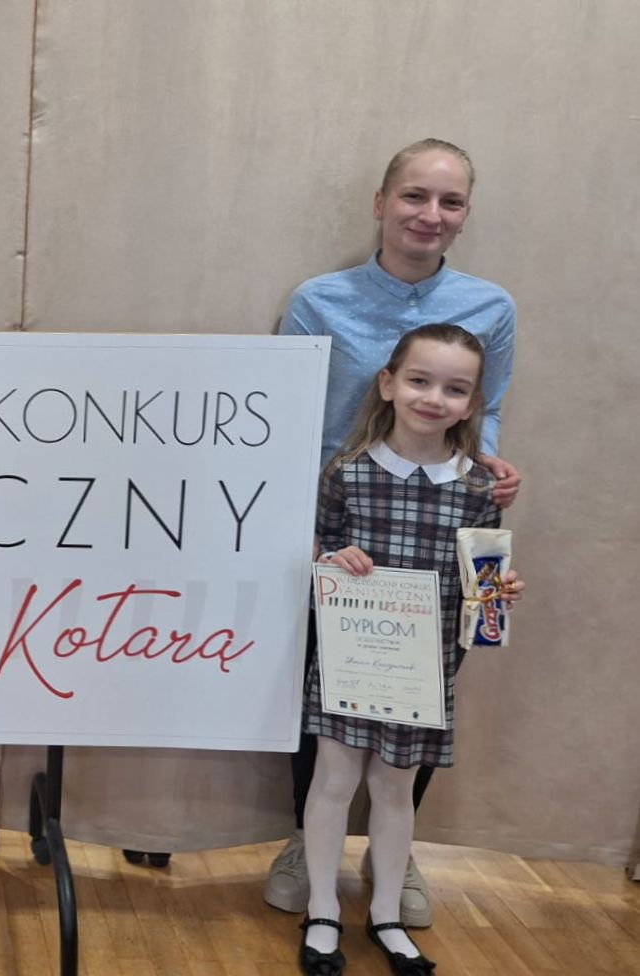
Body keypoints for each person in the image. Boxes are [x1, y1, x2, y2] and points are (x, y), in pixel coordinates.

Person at [267, 139, 521, 927]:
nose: (429, 215)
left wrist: (489, 477)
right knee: (323, 696)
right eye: (414, 196)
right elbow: (282, 415)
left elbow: (487, 415)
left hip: (440, 530)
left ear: (465, 215)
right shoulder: (317, 300)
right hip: (343, 528)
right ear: (381, 204)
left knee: (419, 698)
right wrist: (308, 531)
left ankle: (392, 852)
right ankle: (303, 843)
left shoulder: (492, 307)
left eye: (450, 201)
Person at [295, 323, 525, 975]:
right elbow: (313, 551)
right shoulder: (346, 473)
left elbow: (481, 589)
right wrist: (331, 561)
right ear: (388, 384)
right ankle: (321, 910)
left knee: (394, 788)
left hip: (422, 669)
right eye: (420, 380)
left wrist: (499, 593)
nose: (433, 398)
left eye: (454, 389)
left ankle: (386, 914)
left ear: (473, 403)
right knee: (333, 779)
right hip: (349, 659)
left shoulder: (479, 491)